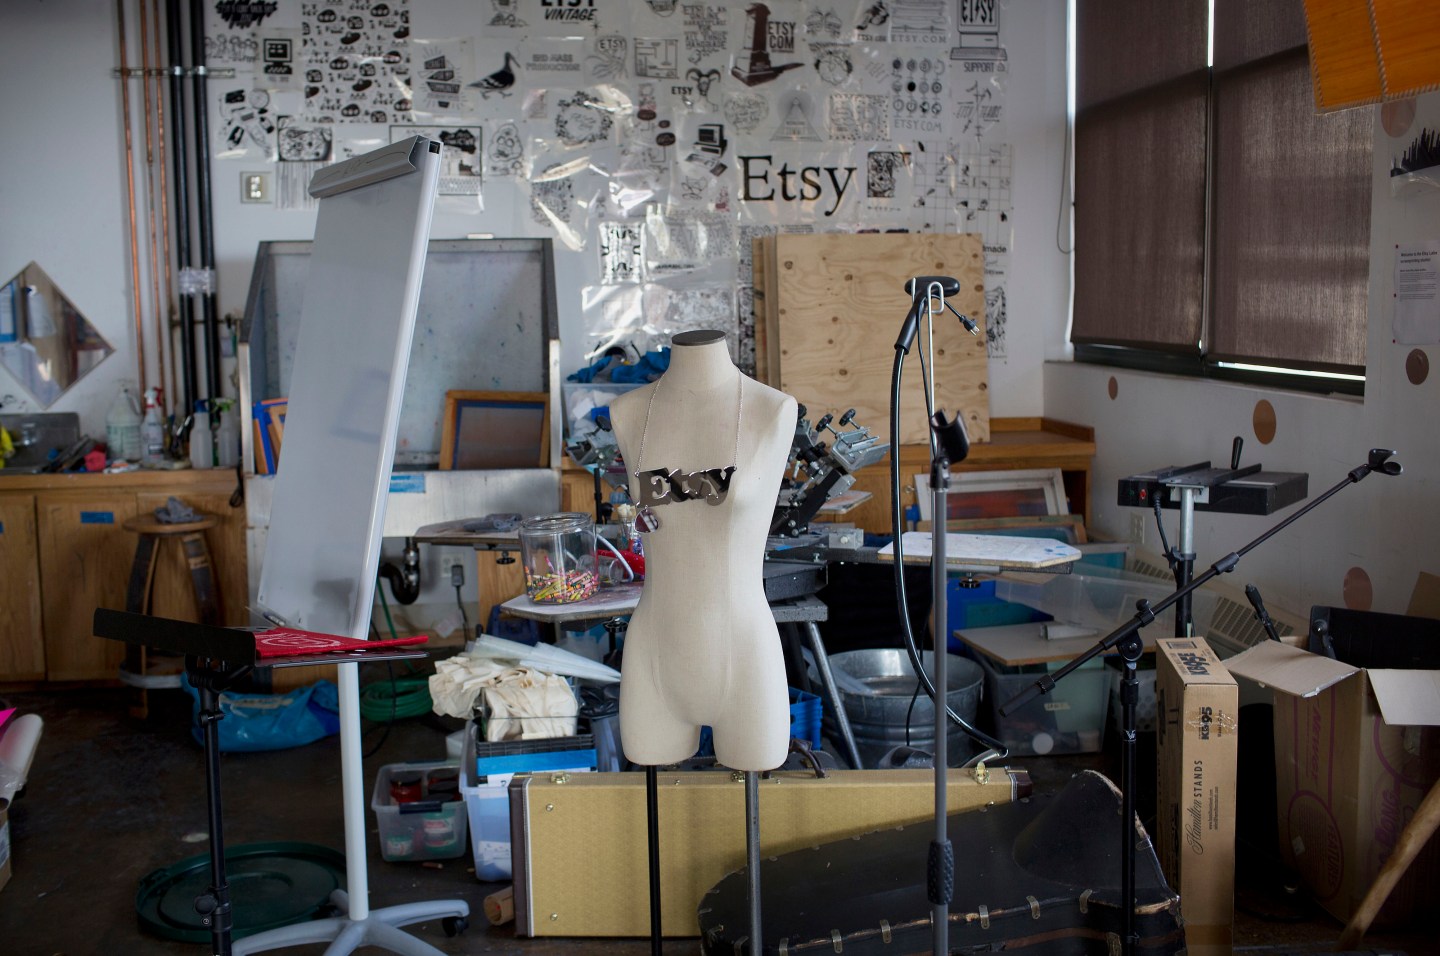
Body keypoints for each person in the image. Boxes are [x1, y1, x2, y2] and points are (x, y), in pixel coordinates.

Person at [609, 329, 796, 771]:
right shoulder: (630, 411)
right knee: (655, 806)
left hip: (744, 650)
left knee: (754, 798)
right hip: (656, 650)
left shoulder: (772, 409)